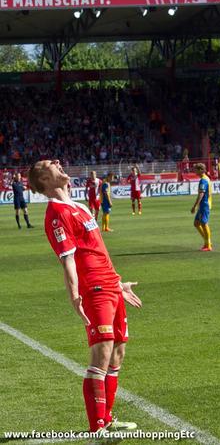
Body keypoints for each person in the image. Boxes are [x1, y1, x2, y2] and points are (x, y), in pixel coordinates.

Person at [27, 159, 142, 433]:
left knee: (117, 354)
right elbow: (67, 260)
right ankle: (96, 429)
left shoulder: (78, 206)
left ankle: (108, 419)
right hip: (94, 290)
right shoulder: (56, 213)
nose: (57, 162)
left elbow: (96, 250)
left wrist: (118, 283)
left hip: (110, 285)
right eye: (49, 164)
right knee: (101, 354)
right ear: (43, 180)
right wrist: (75, 295)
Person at [191, 163, 213, 251]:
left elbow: (201, 194)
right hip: (204, 204)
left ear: (201, 170)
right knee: (196, 223)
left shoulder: (203, 180)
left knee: (204, 223)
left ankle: (208, 245)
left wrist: (195, 206)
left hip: (204, 204)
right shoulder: (206, 178)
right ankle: (207, 242)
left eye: (195, 169)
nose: (194, 171)